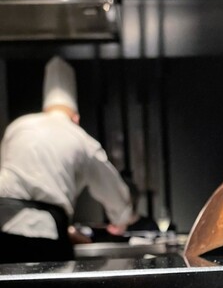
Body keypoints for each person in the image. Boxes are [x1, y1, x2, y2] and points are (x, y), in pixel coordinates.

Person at [0, 56, 134, 264]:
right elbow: (115, 195)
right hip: (44, 236)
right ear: (76, 118)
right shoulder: (79, 138)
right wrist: (121, 219)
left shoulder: (18, 127)